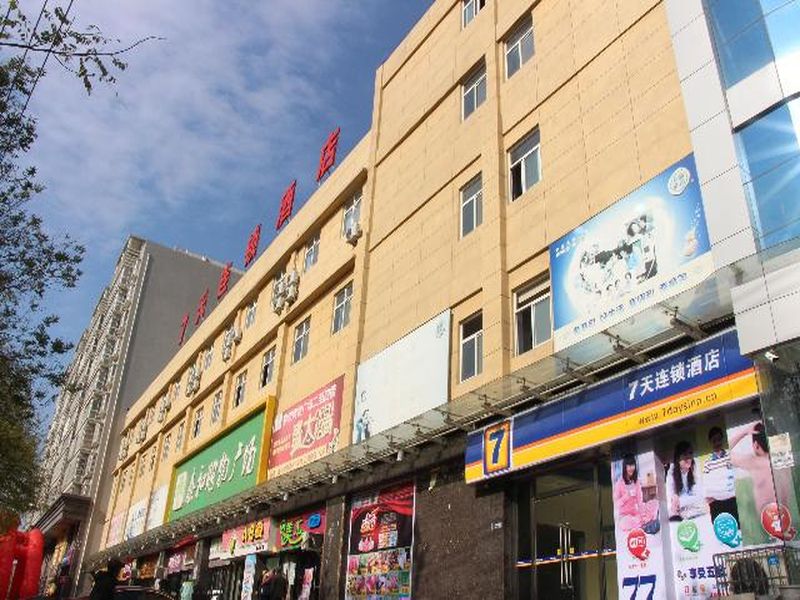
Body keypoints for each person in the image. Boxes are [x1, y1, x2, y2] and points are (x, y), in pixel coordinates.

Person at [613, 454, 660, 532]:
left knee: (654, 503)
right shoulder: (619, 483)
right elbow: (616, 504)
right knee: (625, 523)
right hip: (625, 516)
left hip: (636, 513)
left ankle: (643, 521)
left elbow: (639, 501)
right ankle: (645, 523)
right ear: (625, 467)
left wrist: (642, 515)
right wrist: (626, 496)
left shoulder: (636, 482)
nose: (631, 468)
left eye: (633, 465)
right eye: (629, 466)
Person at [703, 426, 739, 522]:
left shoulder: (730, 456)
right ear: (711, 442)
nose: (717, 443)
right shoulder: (708, 462)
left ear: (722, 439)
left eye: (719, 439)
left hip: (732, 500)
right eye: (714, 440)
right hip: (717, 504)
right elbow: (707, 484)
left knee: (737, 525)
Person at [667, 440, 707, 520]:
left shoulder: (695, 467)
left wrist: (680, 501)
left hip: (695, 509)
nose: (688, 458)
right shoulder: (672, 471)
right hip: (680, 512)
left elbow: (700, 495)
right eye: (685, 454)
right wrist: (674, 499)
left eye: (690, 453)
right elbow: (670, 496)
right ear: (678, 458)